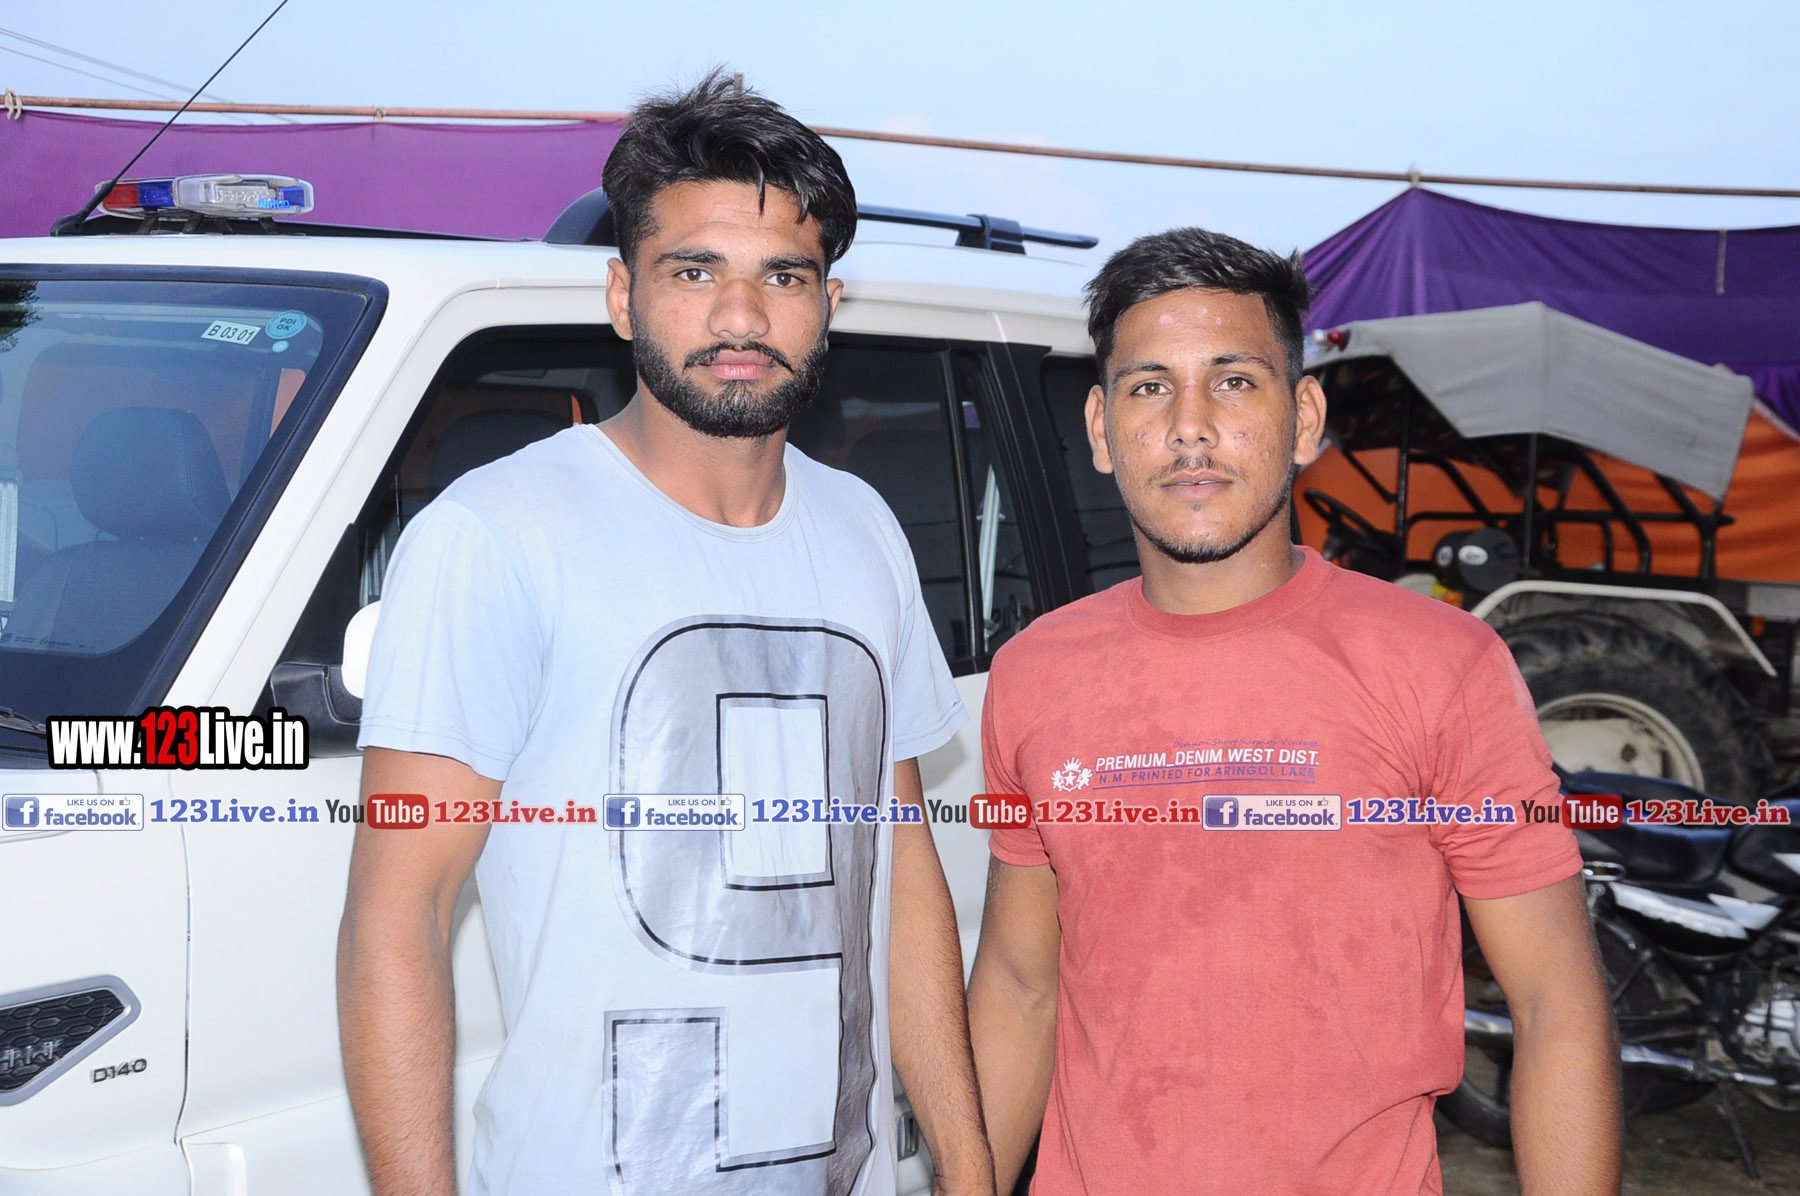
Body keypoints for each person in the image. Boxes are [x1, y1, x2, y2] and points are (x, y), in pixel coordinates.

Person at [338, 71, 993, 1196]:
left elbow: (901, 870)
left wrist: (968, 1169)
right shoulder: (496, 534)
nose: (741, 317)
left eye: (782, 275)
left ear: (828, 300)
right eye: (694, 271)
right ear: (622, 295)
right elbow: (397, 916)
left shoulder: (865, 530)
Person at [965, 227, 1620, 1195]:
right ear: (1101, 429)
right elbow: (1021, 985)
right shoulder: (1033, 673)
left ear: (1305, 417)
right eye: (1149, 387)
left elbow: (1555, 1000)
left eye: (1234, 381)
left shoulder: (1442, 665)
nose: (1190, 426)